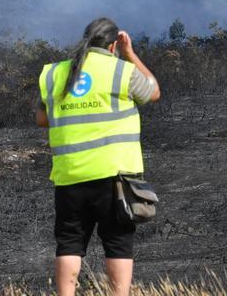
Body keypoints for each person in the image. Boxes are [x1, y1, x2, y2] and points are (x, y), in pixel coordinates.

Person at [35, 17, 161, 296]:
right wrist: (130, 54)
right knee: (118, 244)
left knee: (69, 243)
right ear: (114, 44)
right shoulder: (119, 70)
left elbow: (43, 118)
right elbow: (153, 91)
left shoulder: (56, 73)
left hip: (69, 177)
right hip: (113, 178)